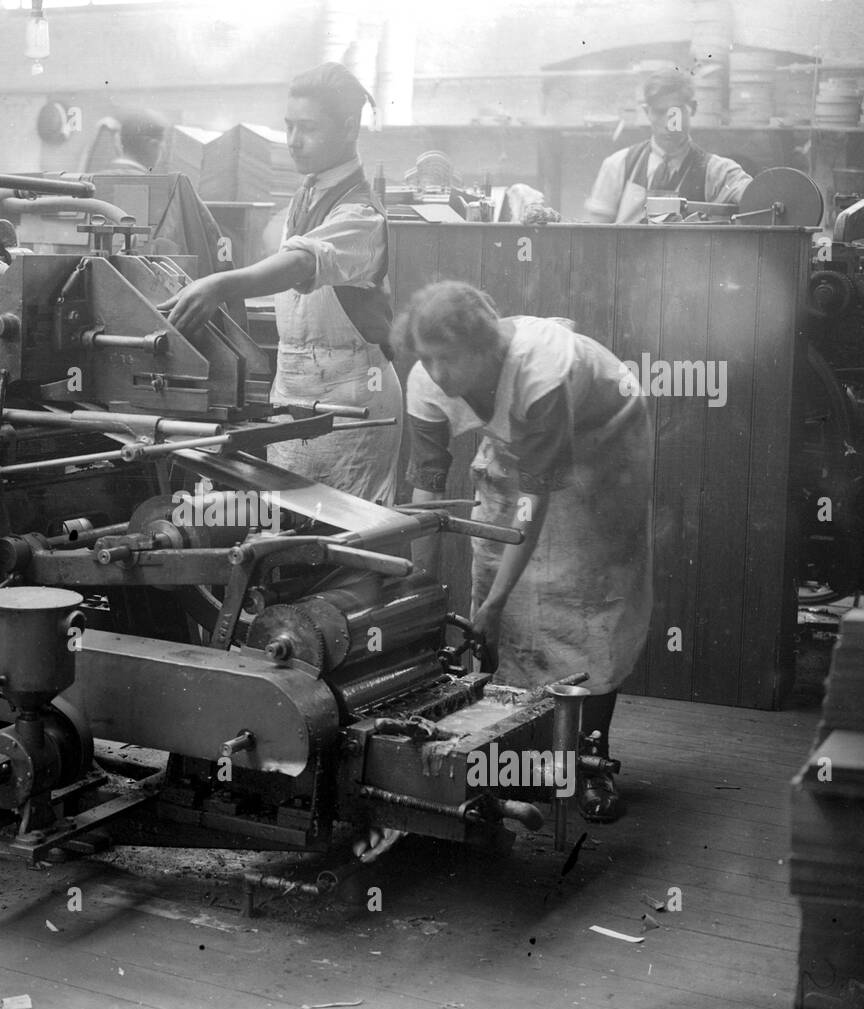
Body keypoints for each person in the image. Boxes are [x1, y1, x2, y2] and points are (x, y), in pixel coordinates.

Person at [397, 281, 654, 822]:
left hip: (603, 440)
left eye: (449, 358)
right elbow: (427, 487)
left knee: (587, 595)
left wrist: (492, 604)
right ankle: (517, 755)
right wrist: (414, 584)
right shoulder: (427, 380)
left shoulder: (541, 369)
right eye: (427, 358)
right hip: (520, 441)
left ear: (487, 347)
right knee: (494, 579)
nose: (437, 373)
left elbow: (532, 505)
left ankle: (589, 760)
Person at [160, 62, 402, 505]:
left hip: (352, 394)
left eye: (307, 128)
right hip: (295, 389)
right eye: (289, 127)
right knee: (289, 532)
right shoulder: (306, 195)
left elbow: (297, 264)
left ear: (349, 127)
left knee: (343, 538)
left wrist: (218, 286)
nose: (293, 141)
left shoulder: (361, 214)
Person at [584, 70, 752, 223]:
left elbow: (760, 196)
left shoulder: (719, 172)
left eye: (675, 112)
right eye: (659, 112)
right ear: (646, 112)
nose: (669, 124)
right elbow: (596, 235)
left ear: (692, 108)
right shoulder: (618, 165)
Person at [108, 109, 168, 174]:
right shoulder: (153, 183)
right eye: (162, 146)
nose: (163, 152)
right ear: (152, 145)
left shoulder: (96, 179)